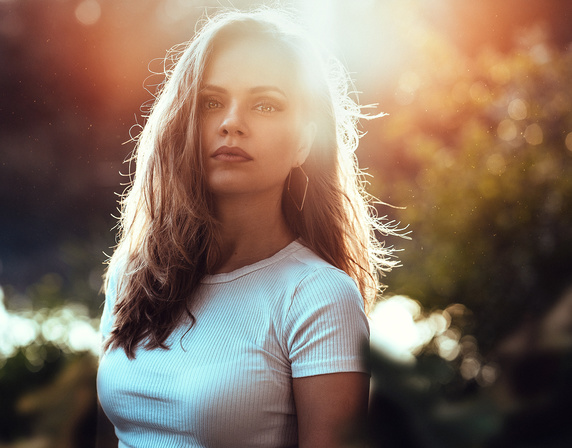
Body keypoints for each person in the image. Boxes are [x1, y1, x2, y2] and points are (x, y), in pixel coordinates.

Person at [97, 7, 396, 448]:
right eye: (211, 102)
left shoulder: (318, 298)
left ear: (303, 141)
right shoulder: (135, 275)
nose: (231, 122)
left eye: (265, 104)